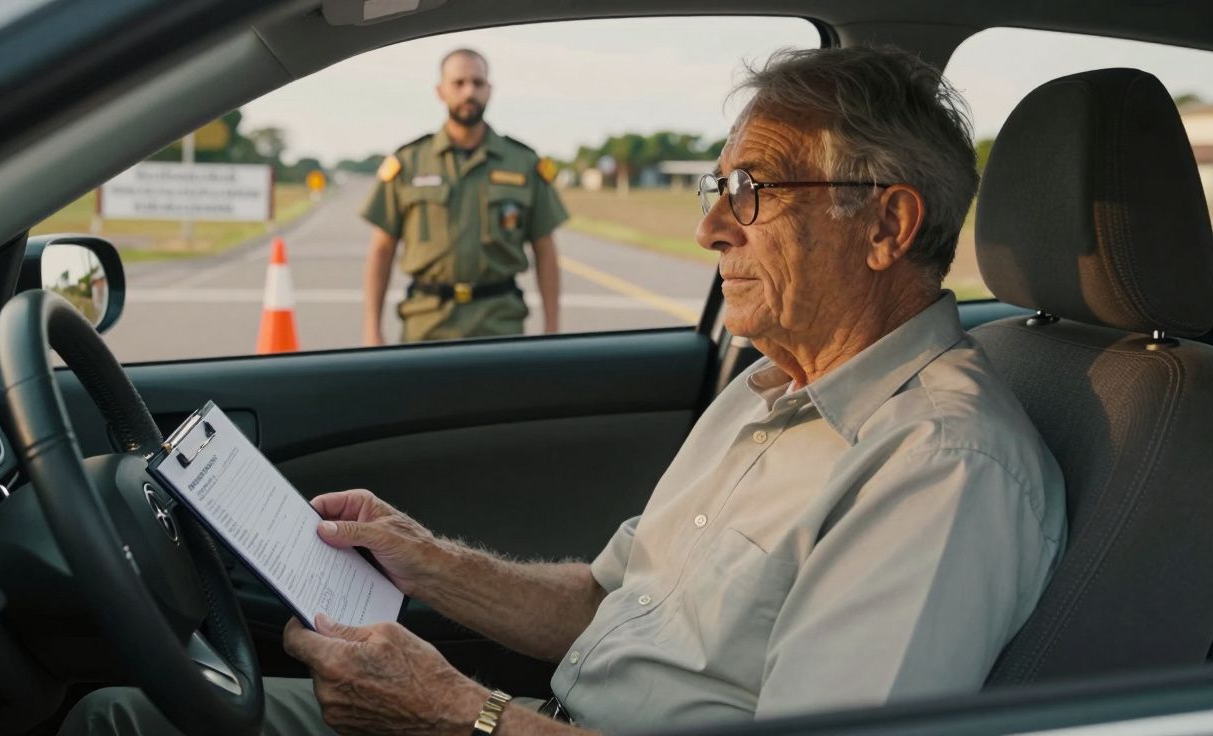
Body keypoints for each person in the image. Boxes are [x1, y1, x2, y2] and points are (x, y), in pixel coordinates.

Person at [62, 46, 1065, 735]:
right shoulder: (769, 389)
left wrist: (461, 714)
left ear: (886, 227)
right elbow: (603, 601)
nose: (713, 230)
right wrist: (427, 562)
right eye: (717, 192)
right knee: (120, 714)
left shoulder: (942, 464)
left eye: (751, 193)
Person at [360, 48, 567, 345]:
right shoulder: (409, 162)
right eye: (458, 83)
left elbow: (545, 250)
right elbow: (382, 249)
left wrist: (552, 329)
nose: (469, 91)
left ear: (490, 90)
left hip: (500, 325)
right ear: (440, 91)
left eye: (478, 83)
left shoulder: (523, 163)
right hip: (426, 325)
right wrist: (372, 330)